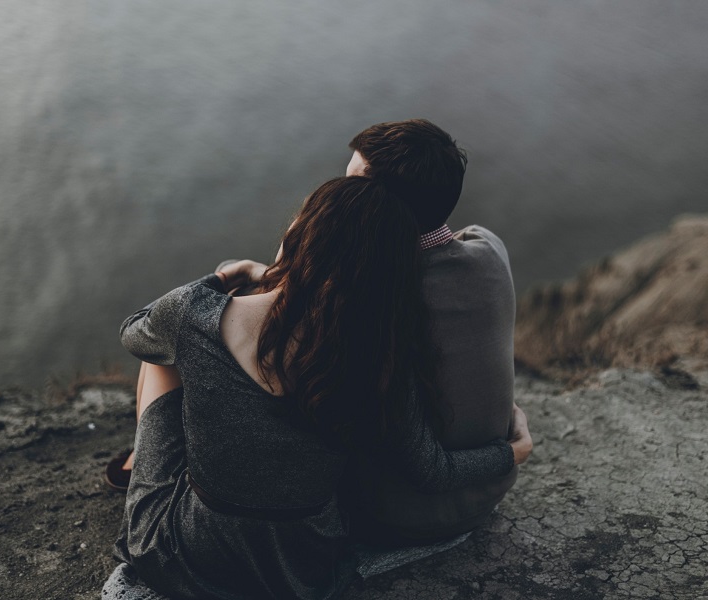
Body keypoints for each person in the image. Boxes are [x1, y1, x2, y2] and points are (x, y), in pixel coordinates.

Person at [108, 176, 532, 599]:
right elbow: (431, 470)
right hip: (300, 572)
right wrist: (511, 452)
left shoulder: (195, 313)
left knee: (162, 352)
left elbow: (134, 332)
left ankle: (138, 469)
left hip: (190, 555)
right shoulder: (380, 358)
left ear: (299, 234)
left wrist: (219, 279)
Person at [340, 118, 522, 544]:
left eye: (349, 186)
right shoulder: (490, 249)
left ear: (375, 205)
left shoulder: (372, 294)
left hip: (395, 515)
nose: (336, 194)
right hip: (486, 496)